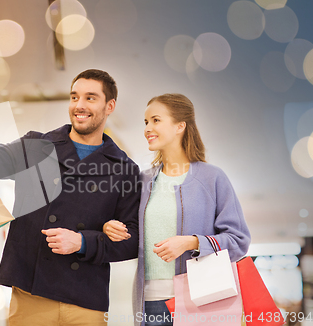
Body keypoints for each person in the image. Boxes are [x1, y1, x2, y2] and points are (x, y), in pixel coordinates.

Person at [0, 69, 141, 326]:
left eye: (90, 98)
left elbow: (132, 241)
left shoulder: (124, 169)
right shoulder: (37, 146)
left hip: (86, 299)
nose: (79, 105)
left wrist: (82, 241)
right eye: (74, 96)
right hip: (31, 295)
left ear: (109, 105)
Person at [103, 93, 251, 326]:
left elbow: (238, 240)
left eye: (156, 120)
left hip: (201, 298)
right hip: (150, 301)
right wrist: (110, 226)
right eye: (145, 122)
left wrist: (192, 242)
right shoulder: (142, 182)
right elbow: (129, 232)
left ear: (180, 126)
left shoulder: (212, 178)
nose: (147, 128)